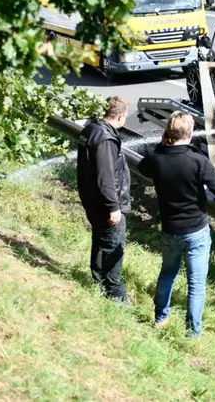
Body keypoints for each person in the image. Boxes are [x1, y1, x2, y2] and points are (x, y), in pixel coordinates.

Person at [138, 111, 215, 338]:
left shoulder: (157, 157)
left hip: (170, 229)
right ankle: (192, 333)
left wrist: (161, 145)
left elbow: (142, 167)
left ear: (167, 132)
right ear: (190, 133)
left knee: (167, 273)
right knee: (196, 284)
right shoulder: (198, 160)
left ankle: (161, 317)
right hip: (196, 231)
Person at [77, 96, 132, 303]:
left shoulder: (92, 129)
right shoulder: (105, 139)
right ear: (120, 115)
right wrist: (113, 206)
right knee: (112, 245)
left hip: (92, 198)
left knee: (101, 240)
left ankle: (99, 281)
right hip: (104, 202)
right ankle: (114, 292)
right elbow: (105, 176)